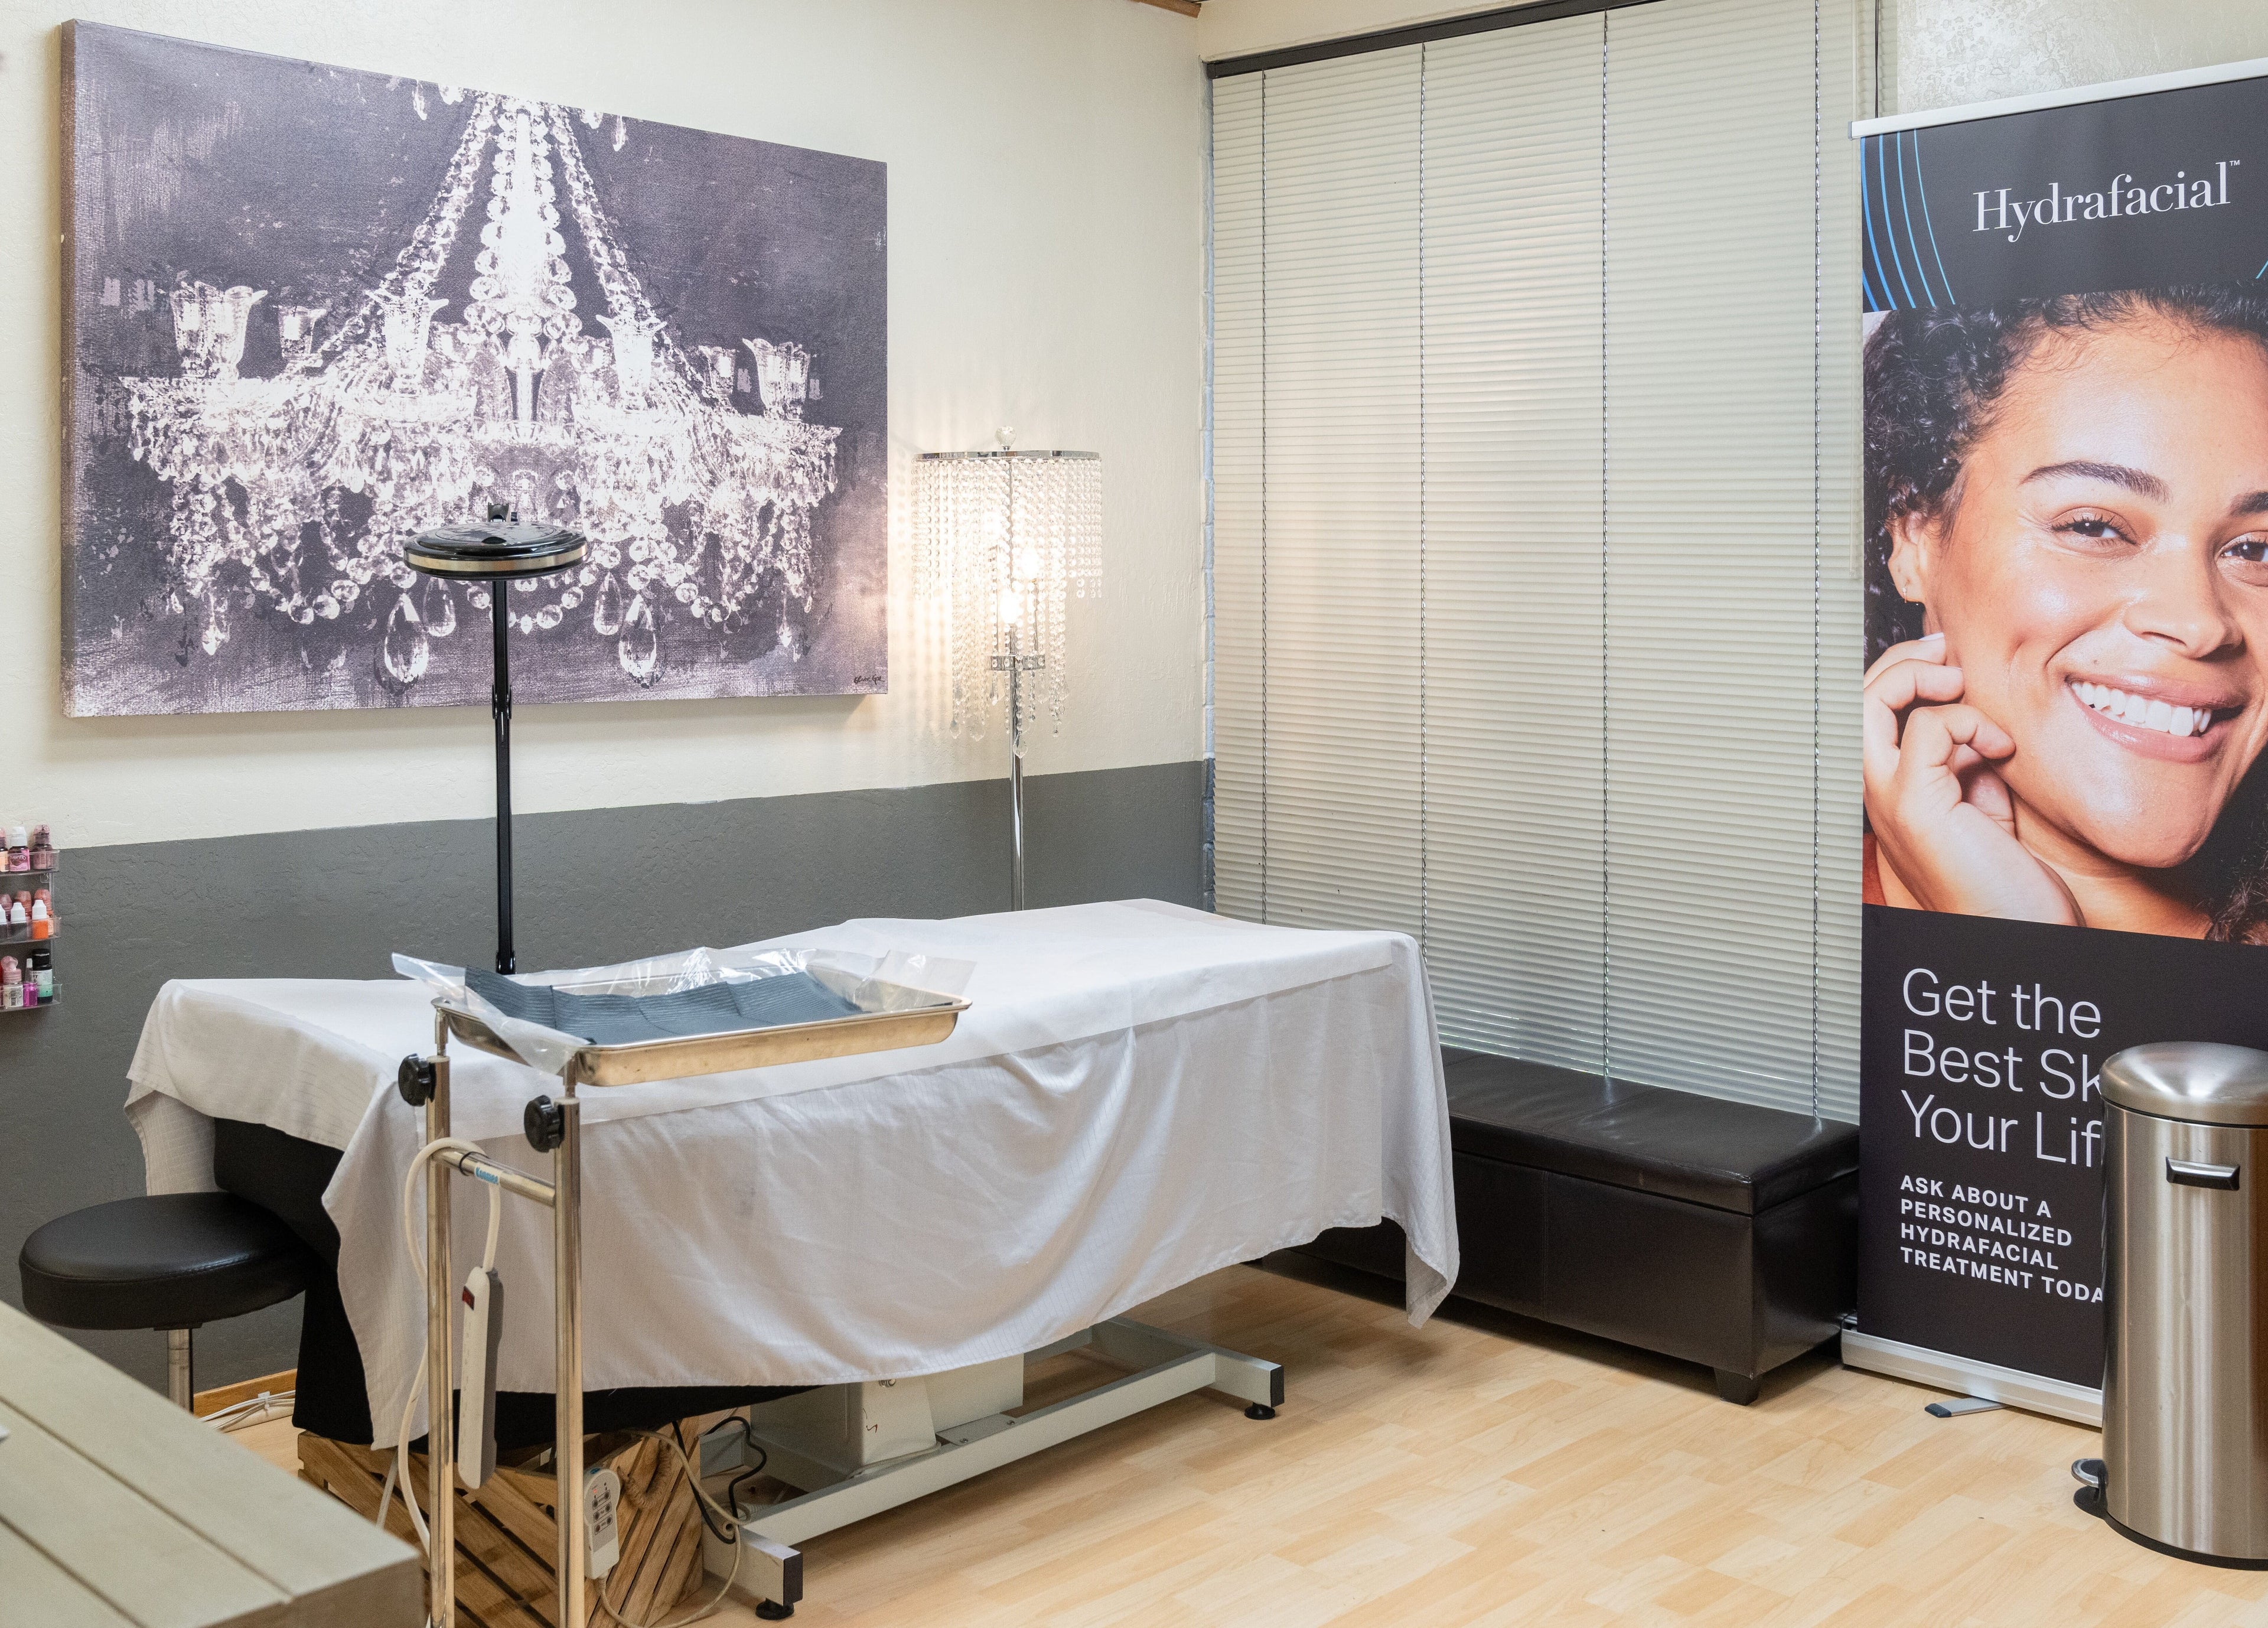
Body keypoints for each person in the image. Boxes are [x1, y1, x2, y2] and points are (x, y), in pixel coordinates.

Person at [1863, 285, 2268, 941]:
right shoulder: (1776, 944)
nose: (2199, 623)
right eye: (2094, 527)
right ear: (1914, 537)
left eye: (2255, 548)